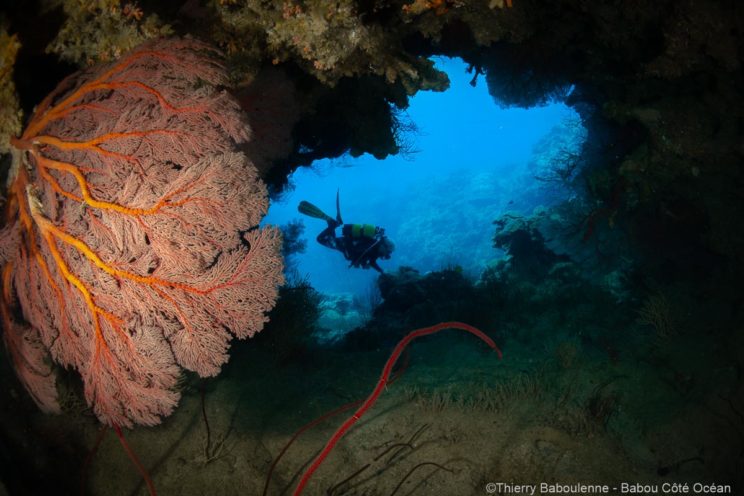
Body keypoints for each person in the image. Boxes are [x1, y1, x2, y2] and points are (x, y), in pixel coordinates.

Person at [298, 191, 394, 273]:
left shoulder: (374, 250)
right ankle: (332, 224)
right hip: (343, 245)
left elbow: (372, 262)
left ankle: (332, 224)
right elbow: (357, 250)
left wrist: (381, 272)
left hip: (343, 246)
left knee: (330, 239)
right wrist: (360, 262)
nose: (386, 254)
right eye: (388, 252)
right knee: (320, 239)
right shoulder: (372, 246)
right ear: (384, 246)